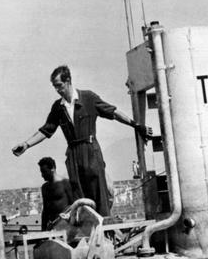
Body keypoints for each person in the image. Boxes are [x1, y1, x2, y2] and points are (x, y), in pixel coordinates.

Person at [12, 65, 151, 217]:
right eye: (55, 87)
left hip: (90, 149)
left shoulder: (88, 98)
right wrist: (26, 144)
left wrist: (136, 125)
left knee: (99, 190)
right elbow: (46, 130)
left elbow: (113, 112)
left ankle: (104, 227)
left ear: (68, 81)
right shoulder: (58, 107)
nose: (58, 90)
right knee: (79, 194)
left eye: (59, 86)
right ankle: (86, 228)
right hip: (73, 153)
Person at [38, 157, 74, 230]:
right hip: (52, 227)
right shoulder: (44, 187)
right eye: (41, 172)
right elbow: (45, 211)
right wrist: (43, 230)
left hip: (66, 225)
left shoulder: (65, 183)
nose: (42, 175)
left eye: (44, 171)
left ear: (52, 168)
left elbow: (73, 205)